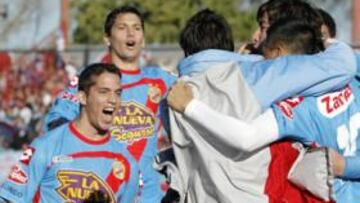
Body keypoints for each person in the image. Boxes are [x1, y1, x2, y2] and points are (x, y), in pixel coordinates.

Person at [167, 7, 356, 202]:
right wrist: (325, 40)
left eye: (264, 27)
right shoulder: (262, 76)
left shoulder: (174, 92)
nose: (256, 37)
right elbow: (343, 64)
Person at [44, 6, 177, 202]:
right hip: (102, 190)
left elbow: (200, 91)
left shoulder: (161, 80)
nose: (130, 33)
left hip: (151, 195)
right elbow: (56, 123)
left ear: (143, 39)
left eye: (137, 28)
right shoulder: (88, 78)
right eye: (122, 27)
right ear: (107, 38)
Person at [0, 63, 139, 203]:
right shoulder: (45, 147)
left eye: (118, 93)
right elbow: (10, 199)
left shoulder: (128, 163)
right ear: (83, 97)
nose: (113, 100)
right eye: (104, 92)